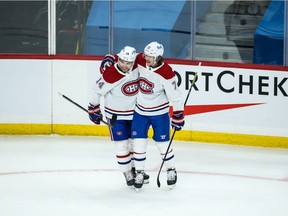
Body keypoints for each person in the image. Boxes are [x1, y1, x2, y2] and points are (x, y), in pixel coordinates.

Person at [88, 46, 149, 187]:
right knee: (121, 146)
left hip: (135, 114)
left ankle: (135, 170)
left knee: (136, 144)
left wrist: (112, 56)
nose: (125, 65)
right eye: (122, 61)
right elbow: (96, 91)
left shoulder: (137, 64)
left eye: (128, 62)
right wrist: (94, 108)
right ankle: (127, 173)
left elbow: (150, 55)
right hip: (116, 115)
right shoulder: (110, 74)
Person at [131, 42, 185, 189]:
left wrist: (178, 114)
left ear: (158, 57)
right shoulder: (140, 60)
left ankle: (171, 170)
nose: (146, 57)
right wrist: (112, 58)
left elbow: (176, 95)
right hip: (140, 111)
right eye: (145, 54)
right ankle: (140, 172)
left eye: (150, 56)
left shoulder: (167, 72)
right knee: (138, 142)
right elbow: (126, 57)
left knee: (163, 145)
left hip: (159, 113)